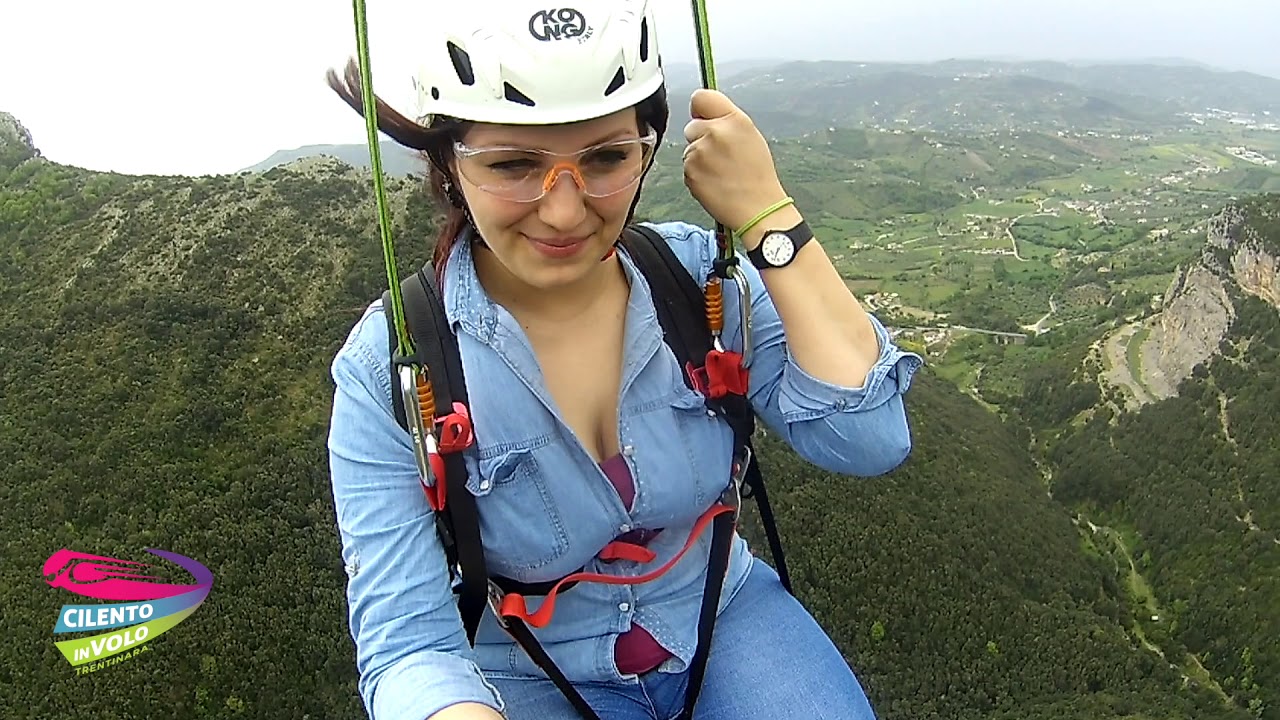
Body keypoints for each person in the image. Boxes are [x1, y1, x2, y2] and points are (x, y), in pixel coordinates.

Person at [325, 1, 923, 718]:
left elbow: (869, 438)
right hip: (528, 670)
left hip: (717, 615)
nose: (566, 210)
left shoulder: (698, 279)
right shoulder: (394, 367)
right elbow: (408, 646)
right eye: (514, 164)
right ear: (448, 163)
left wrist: (768, 214)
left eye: (607, 157)